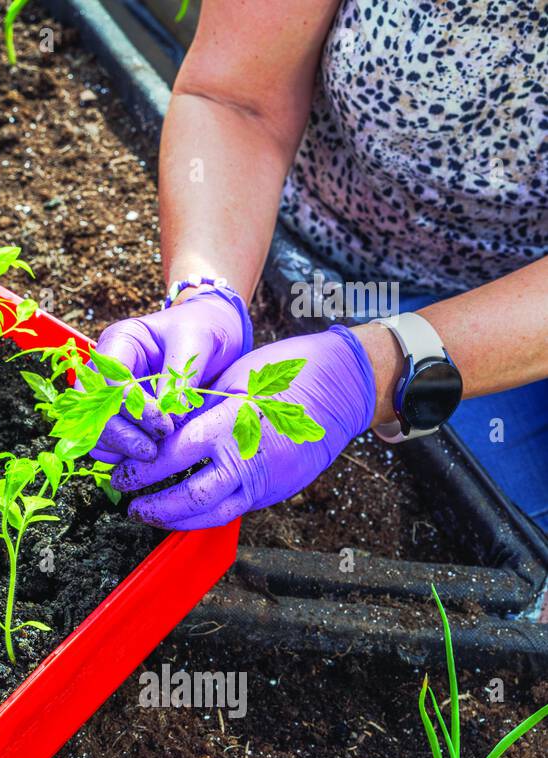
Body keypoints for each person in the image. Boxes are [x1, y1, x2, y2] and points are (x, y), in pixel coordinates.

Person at [94, 0, 548, 531]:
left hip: (512, 302)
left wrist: (377, 373)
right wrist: (206, 287)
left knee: (517, 564)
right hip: (288, 219)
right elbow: (236, 98)